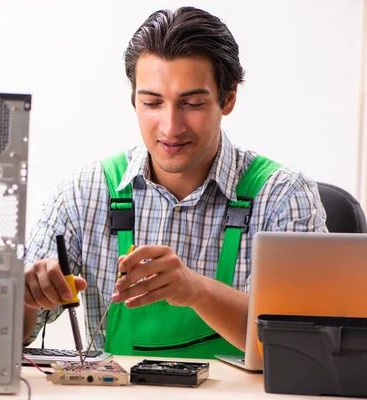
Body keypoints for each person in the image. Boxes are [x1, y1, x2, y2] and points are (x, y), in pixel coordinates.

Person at [22, 6, 327, 358]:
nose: (171, 127)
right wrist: (26, 299)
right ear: (133, 100)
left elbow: (306, 347)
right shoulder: (83, 193)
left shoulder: (284, 196)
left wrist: (195, 290)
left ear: (228, 99)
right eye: (152, 102)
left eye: (193, 103)